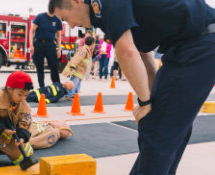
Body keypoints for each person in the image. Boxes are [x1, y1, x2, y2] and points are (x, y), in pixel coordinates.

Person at [49, 0, 215, 174]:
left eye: (67, 18)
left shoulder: (104, 3)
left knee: (158, 129)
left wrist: (145, 103)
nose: (72, 25)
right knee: (167, 127)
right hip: (193, 44)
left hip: (198, 44)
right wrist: (150, 99)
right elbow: (142, 52)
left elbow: (127, 51)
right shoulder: (103, 16)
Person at [29, 11, 63, 88]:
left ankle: (57, 86)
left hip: (50, 44)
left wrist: (59, 49)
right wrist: (31, 45)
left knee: (54, 65)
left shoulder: (57, 19)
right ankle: (42, 87)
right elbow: (32, 31)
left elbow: (58, 35)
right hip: (39, 44)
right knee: (39, 66)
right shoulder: (40, 17)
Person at [62, 36, 95, 101]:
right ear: (92, 43)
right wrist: (73, 66)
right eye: (94, 43)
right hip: (77, 70)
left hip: (80, 71)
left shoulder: (87, 49)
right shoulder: (84, 50)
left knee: (78, 82)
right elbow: (77, 58)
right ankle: (69, 94)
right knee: (74, 82)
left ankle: (75, 94)